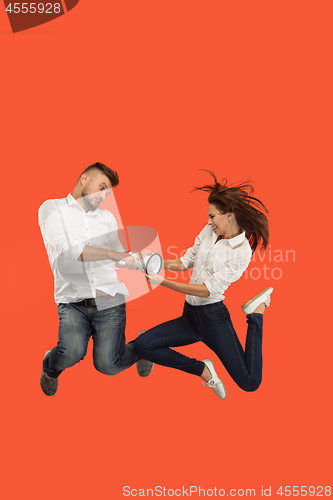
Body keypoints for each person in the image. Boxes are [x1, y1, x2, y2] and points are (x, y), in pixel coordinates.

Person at [134, 172, 273, 400]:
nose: (208, 222)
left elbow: (209, 290)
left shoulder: (241, 251)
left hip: (213, 319)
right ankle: (203, 370)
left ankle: (256, 314)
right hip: (189, 317)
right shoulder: (209, 231)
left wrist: (163, 282)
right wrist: (151, 260)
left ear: (229, 215)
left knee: (249, 383)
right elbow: (184, 261)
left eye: (212, 216)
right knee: (143, 345)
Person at [38, 162, 153, 396]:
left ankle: (143, 347)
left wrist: (134, 259)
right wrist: (114, 254)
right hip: (72, 301)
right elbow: (67, 250)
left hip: (109, 298)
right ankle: (49, 370)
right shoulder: (52, 209)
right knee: (69, 353)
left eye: (108, 193)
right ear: (84, 179)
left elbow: (118, 253)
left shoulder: (108, 217)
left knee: (108, 365)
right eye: (102, 187)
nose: (104, 196)